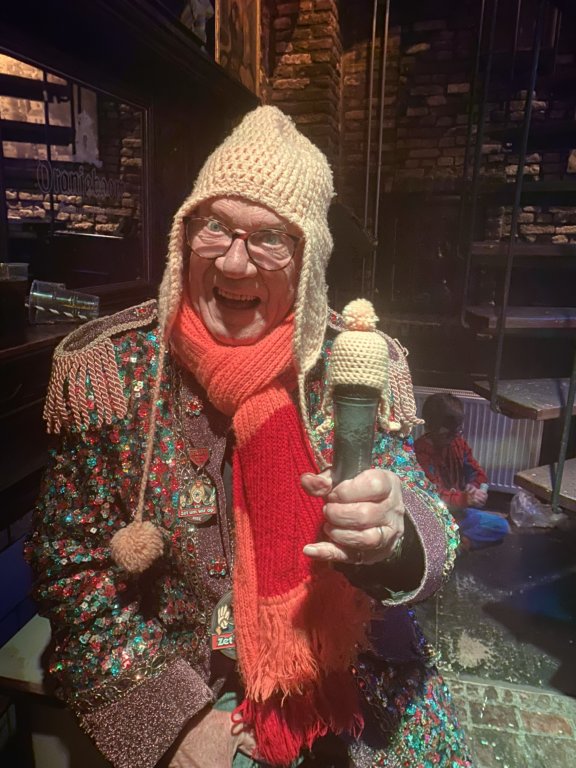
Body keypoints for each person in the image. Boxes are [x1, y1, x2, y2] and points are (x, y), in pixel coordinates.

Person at [26, 106, 472, 768]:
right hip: (184, 677)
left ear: (307, 260)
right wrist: (173, 723)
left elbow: (425, 512)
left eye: (269, 238)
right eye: (214, 226)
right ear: (185, 237)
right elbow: (69, 567)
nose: (235, 263)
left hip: (351, 670)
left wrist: (396, 534)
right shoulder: (117, 371)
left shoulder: (348, 363)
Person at [414, 392, 510, 551]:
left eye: (457, 431)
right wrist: (465, 499)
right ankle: (452, 542)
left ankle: (458, 543)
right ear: (429, 427)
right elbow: (433, 497)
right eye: (446, 434)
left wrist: (476, 488)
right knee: (425, 534)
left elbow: (479, 474)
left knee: (501, 526)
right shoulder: (421, 453)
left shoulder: (458, 443)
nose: (453, 438)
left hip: (459, 514)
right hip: (434, 517)